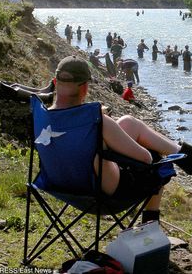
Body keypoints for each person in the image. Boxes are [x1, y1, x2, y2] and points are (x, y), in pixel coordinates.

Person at [51, 55, 192, 223]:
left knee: (128, 122)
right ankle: (150, 224)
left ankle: (183, 154)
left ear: (54, 82)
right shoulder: (95, 120)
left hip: (63, 184)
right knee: (155, 158)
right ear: (85, 89)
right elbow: (145, 158)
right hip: (102, 193)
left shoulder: (44, 117)